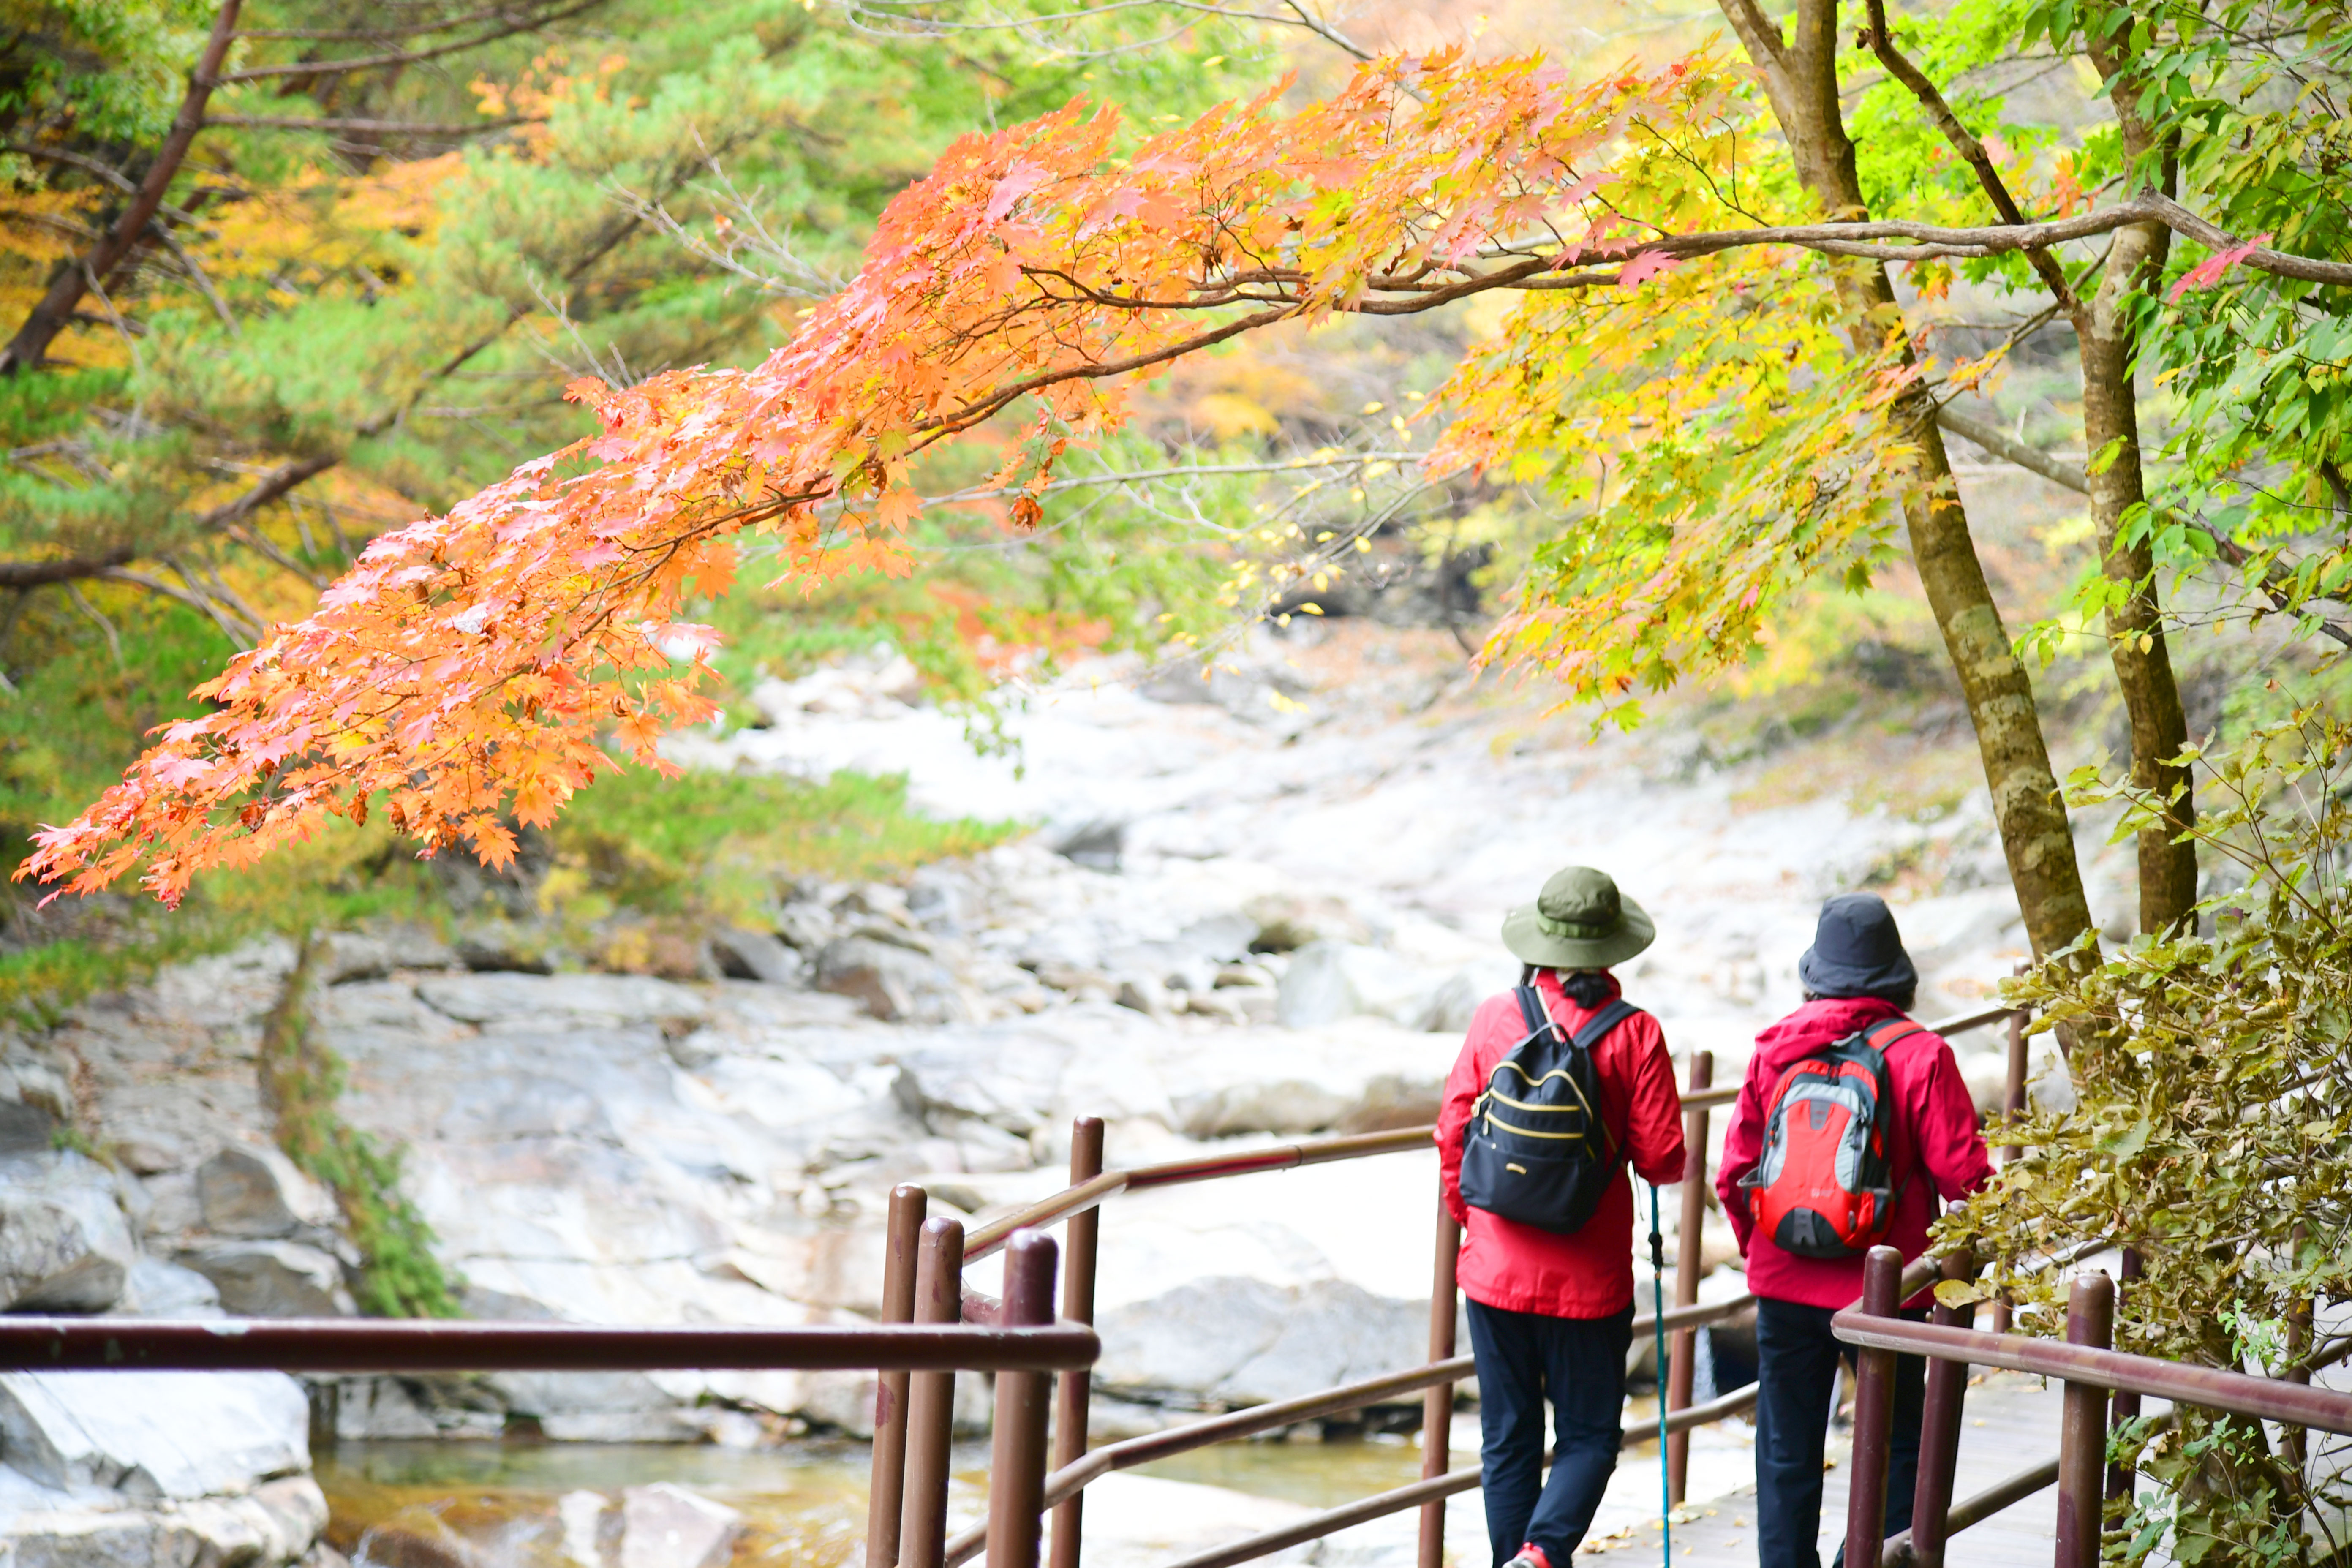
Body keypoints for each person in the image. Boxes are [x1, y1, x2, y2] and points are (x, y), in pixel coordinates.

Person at [1715, 892, 1994, 1568]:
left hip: (1785, 1285)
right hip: (1887, 1291)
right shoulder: (1922, 1055)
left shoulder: (1776, 1049)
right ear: (1897, 975)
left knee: (1786, 1446)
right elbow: (1968, 1178)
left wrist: (1764, 1257)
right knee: (1900, 1443)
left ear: (1816, 972)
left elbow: (1733, 1175)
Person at [1437, 866, 1687, 1568]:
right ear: (1611, 946)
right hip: (1590, 1281)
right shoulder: (1636, 1032)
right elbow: (1663, 1158)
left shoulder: (1496, 1015)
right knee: (1589, 1436)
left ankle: (1515, 1561)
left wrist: (1472, 1221)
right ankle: (1543, 1553)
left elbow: (1452, 1130)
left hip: (1494, 1272)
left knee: (1507, 1436)